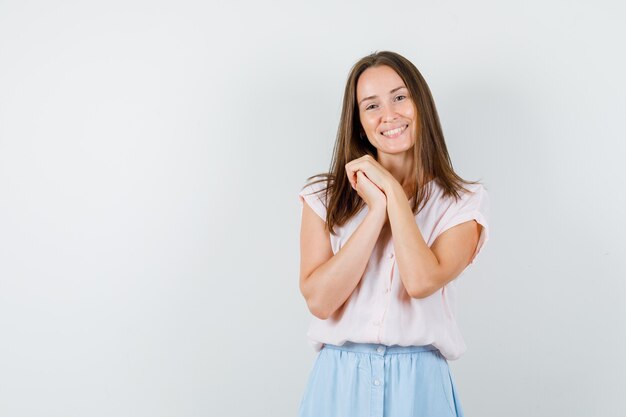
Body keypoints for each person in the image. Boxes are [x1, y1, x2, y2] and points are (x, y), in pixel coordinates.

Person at [296, 50, 491, 417]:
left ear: (421, 105)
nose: (389, 115)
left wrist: (392, 192)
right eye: (371, 106)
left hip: (419, 385)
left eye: (400, 97)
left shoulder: (463, 202)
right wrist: (376, 212)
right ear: (358, 123)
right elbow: (320, 302)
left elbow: (421, 280)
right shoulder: (322, 197)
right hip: (337, 382)